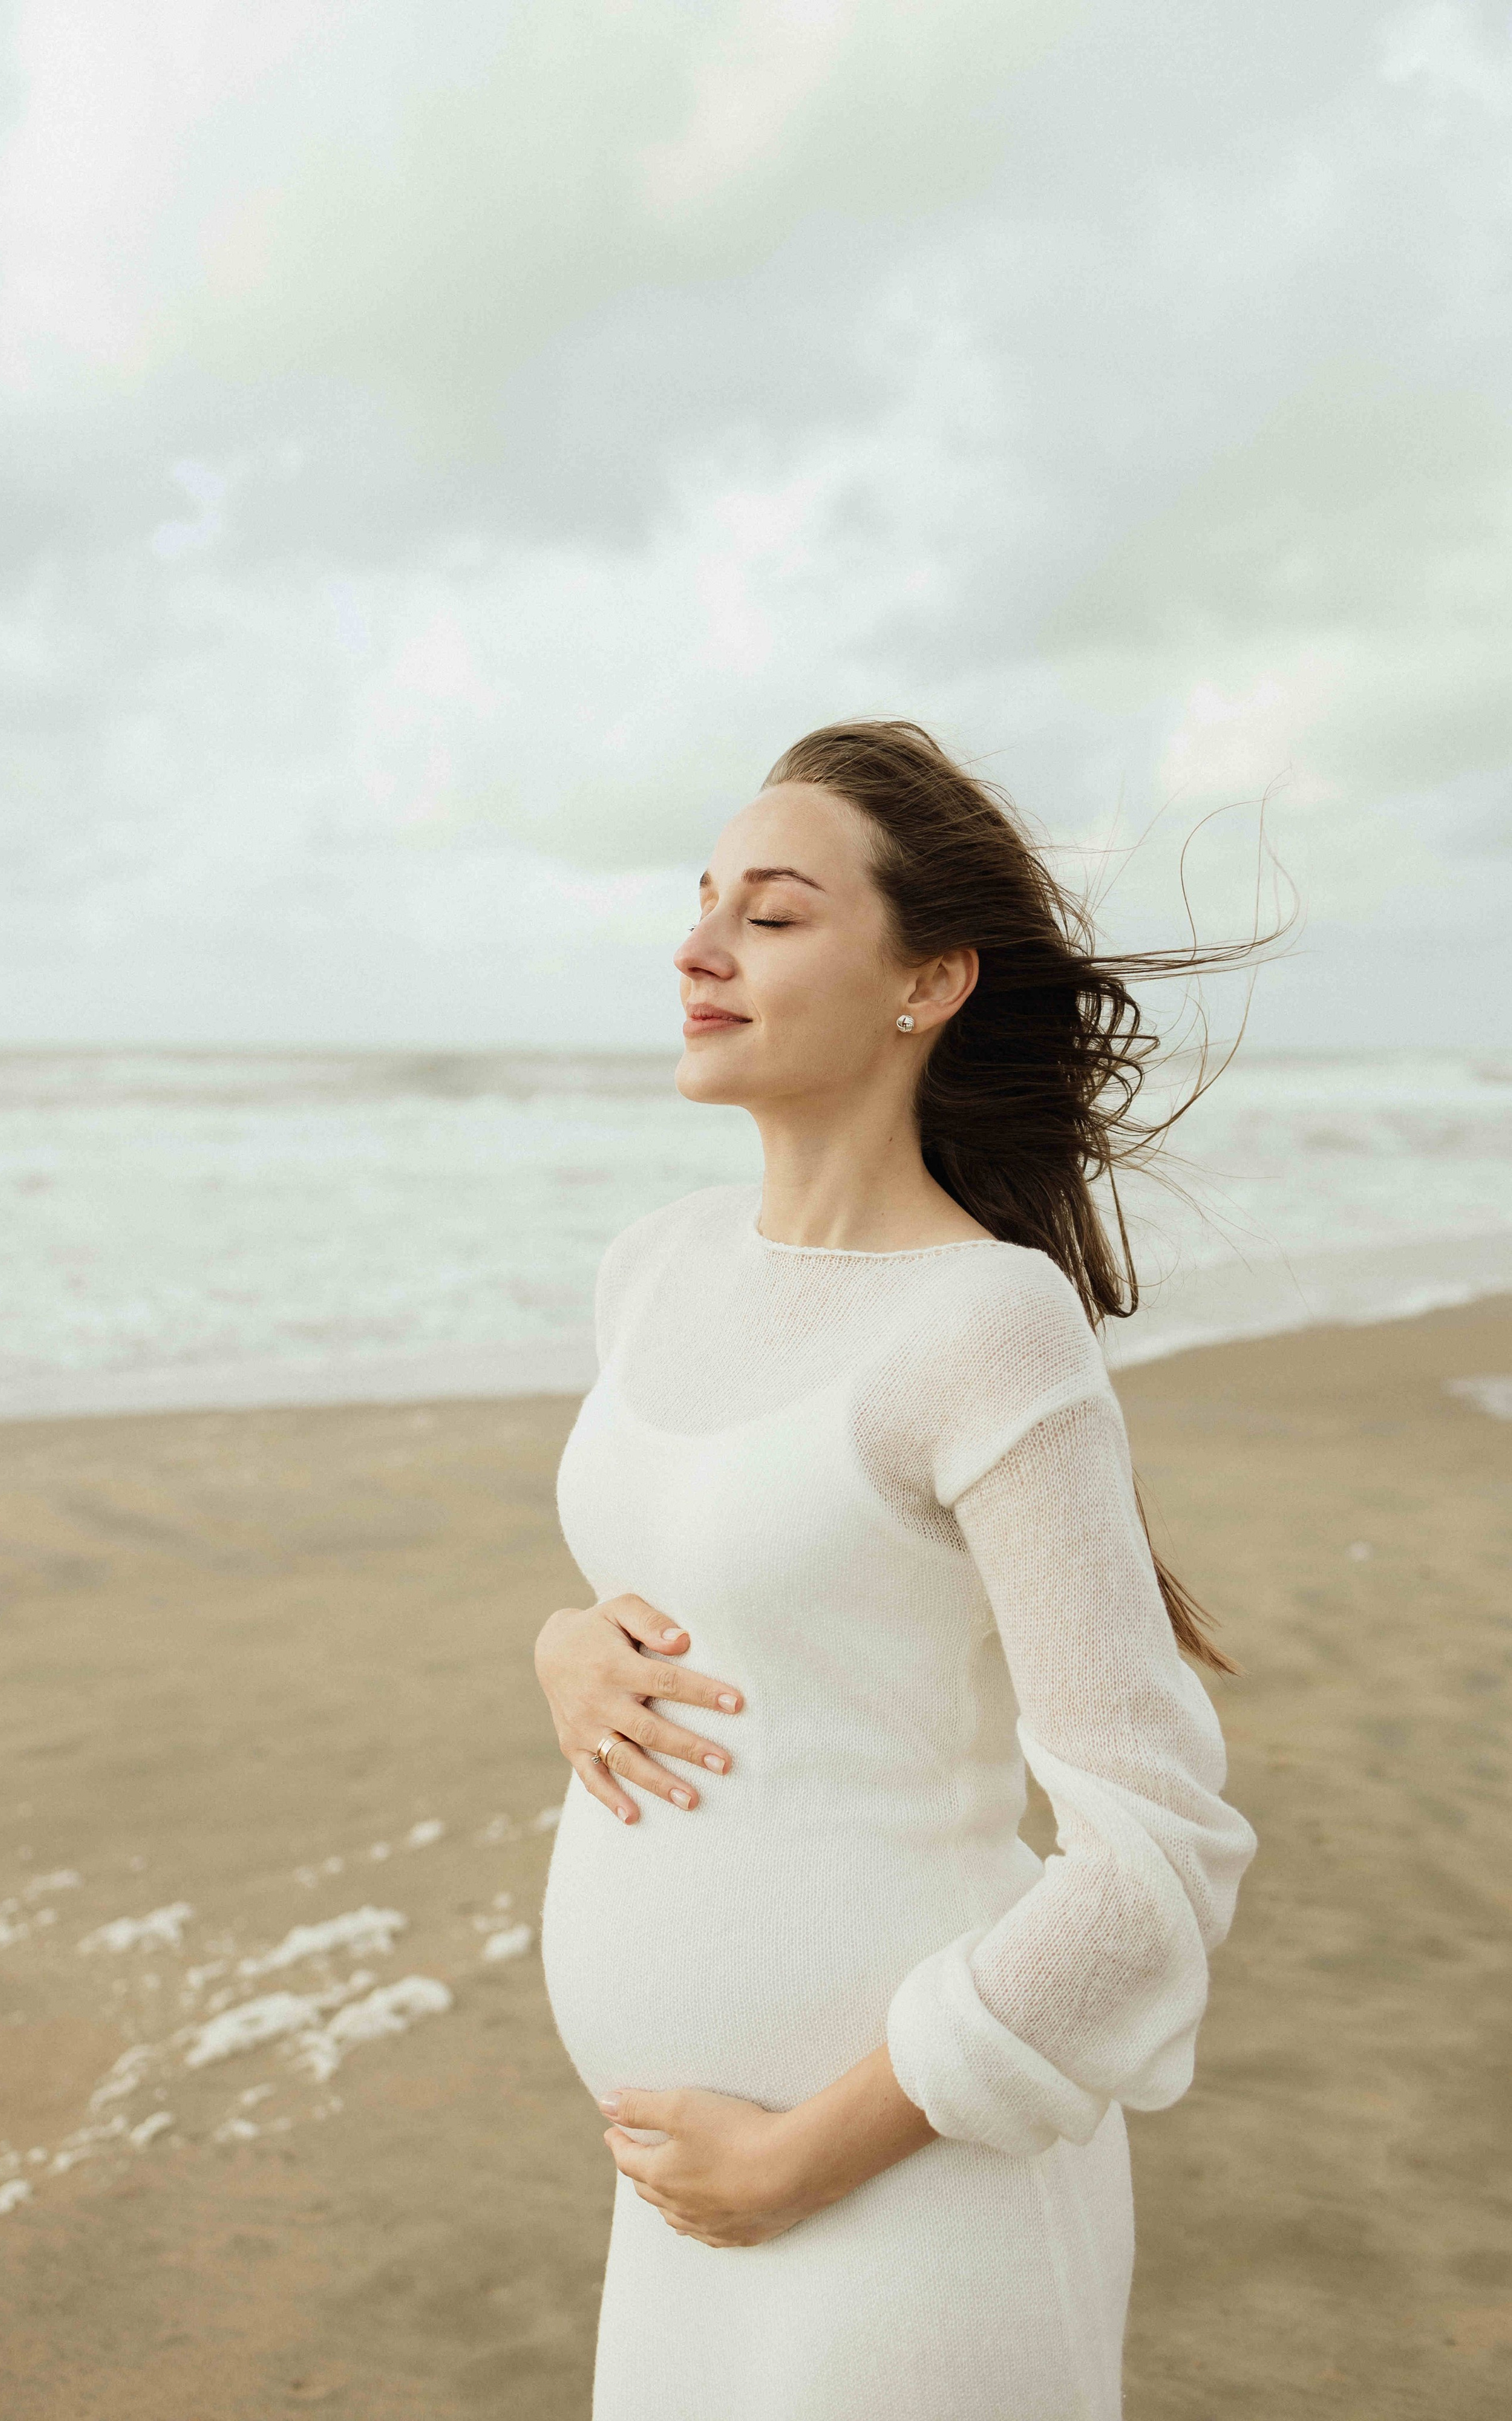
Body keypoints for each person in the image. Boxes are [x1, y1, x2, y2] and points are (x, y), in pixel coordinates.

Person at [533, 720, 1260, 2420]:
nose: (698, 947)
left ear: (927, 982)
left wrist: (807, 2155)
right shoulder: (653, 1269)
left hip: (900, 2204)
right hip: (677, 2204)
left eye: (772, 917)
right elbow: (730, 1585)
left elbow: (1156, 1858)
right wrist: (562, 1644)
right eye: (701, 903)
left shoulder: (988, 1327)